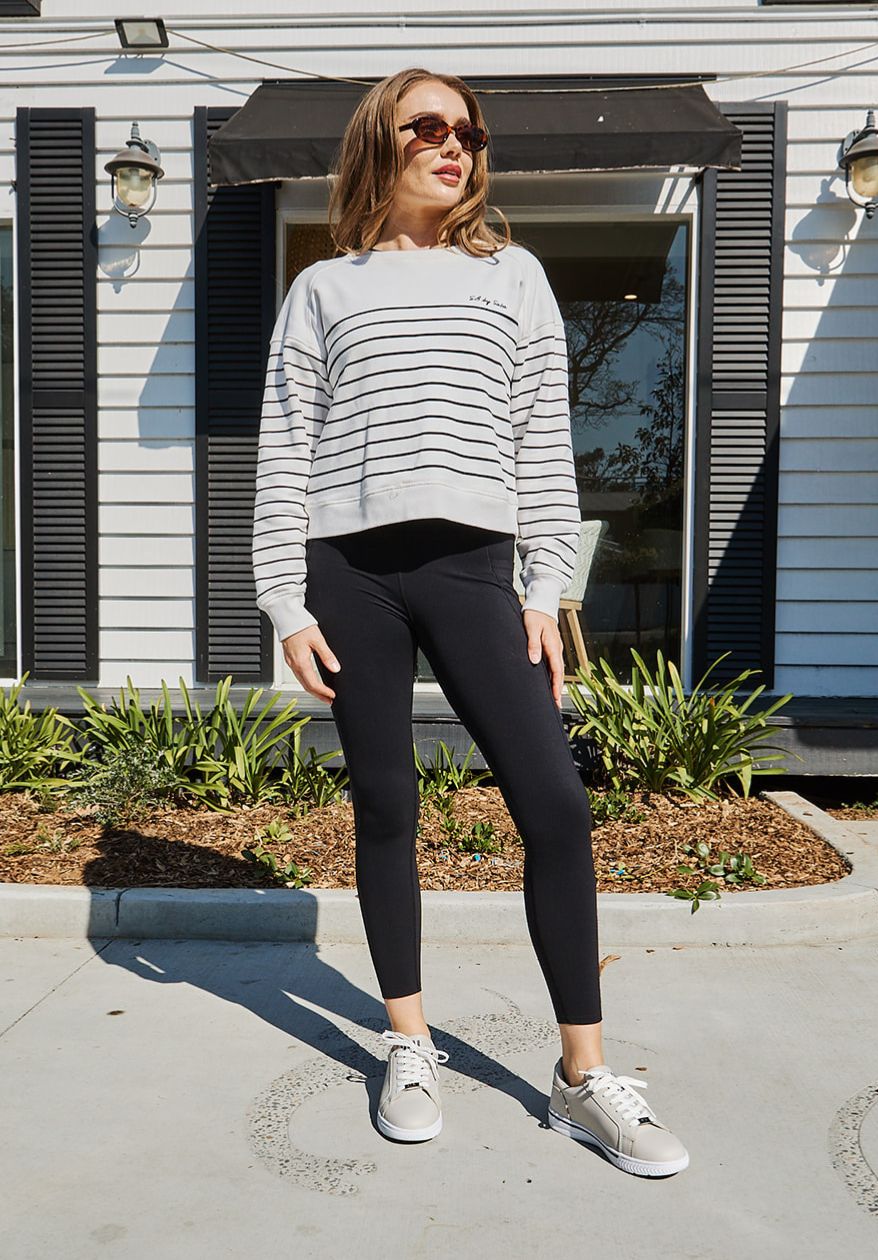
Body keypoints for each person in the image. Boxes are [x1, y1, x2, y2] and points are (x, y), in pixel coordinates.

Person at [252, 66, 688, 1177]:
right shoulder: (323, 289)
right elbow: (285, 449)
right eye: (429, 128)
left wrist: (546, 590)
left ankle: (583, 1076)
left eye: (470, 132)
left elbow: (545, 443)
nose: (456, 145)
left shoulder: (513, 276)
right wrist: (285, 601)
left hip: (475, 568)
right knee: (386, 804)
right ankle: (407, 1043)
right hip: (350, 572)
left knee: (554, 803)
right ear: (379, 144)